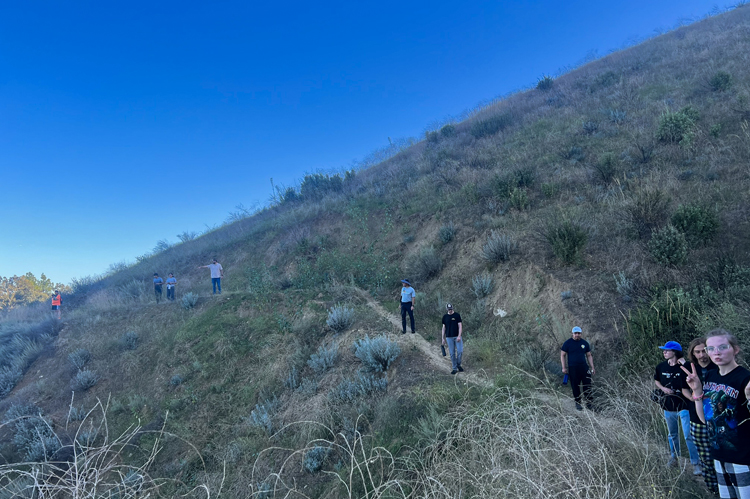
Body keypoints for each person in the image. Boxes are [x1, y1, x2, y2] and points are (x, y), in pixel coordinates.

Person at [683, 330, 750, 499]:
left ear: (735, 349)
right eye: (710, 348)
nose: (716, 352)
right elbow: (704, 418)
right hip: (719, 455)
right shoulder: (711, 376)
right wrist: (697, 391)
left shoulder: (745, 379)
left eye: (722, 347)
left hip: (743, 457)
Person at [655, 340, 700, 469]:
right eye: (664, 350)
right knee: (672, 434)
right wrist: (663, 389)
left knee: (688, 435)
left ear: (674, 352)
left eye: (667, 350)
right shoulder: (661, 367)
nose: (664, 352)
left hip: (684, 405)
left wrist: (685, 364)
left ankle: (696, 462)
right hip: (668, 406)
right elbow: (657, 380)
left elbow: (695, 378)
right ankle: (674, 458)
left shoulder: (685, 367)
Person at [681, 338, 719, 488]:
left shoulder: (717, 367)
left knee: (722, 455)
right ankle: (712, 488)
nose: (702, 354)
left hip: (717, 417)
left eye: (704, 350)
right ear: (693, 353)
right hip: (696, 417)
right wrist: (695, 398)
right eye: (698, 352)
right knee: (706, 456)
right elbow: (683, 388)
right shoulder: (688, 367)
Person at [560, 326, 595, 411]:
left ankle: (589, 403)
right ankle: (578, 402)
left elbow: (589, 355)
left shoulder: (584, 343)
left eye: (578, 333)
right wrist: (564, 367)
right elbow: (562, 355)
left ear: (581, 334)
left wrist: (592, 367)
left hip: (584, 367)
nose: (577, 335)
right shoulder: (567, 343)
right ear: (572, 334)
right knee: (575, 386)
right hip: (573, 368)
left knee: (587, 385)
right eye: (575, 333)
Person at [441, 303, 463, 375]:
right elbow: (444, 328)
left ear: (452, 308)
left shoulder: (457, 315)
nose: (450, 310)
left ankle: (458, 364)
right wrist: (443, 338)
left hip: (457, 336)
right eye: (448, 309)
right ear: (447, 309)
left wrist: (459, 336)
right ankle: (454, 368)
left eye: (451, 309)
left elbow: (460, 326)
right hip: (449, 337)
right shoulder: (445, 317)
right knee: (452, 353)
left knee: (460, 351)